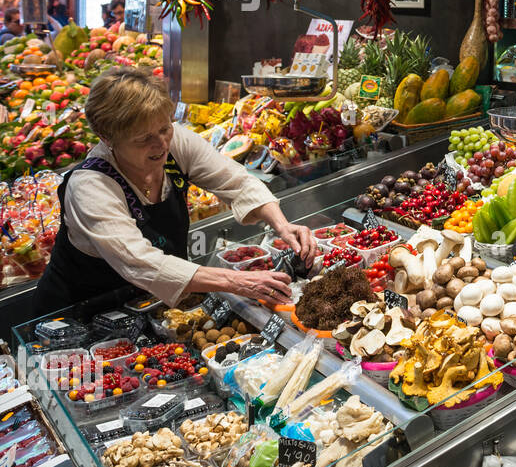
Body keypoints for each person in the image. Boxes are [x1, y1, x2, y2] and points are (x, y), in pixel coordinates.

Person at [33, 66, 318, 315]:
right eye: (144, 138)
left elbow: (236, 182)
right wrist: (237, 282)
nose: (161, 144)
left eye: (164, 129)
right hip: (79, 312)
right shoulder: (90, 186)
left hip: (148, 304)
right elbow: (141, 262)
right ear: (108, 138)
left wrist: (281, 225)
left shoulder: (172, 140)